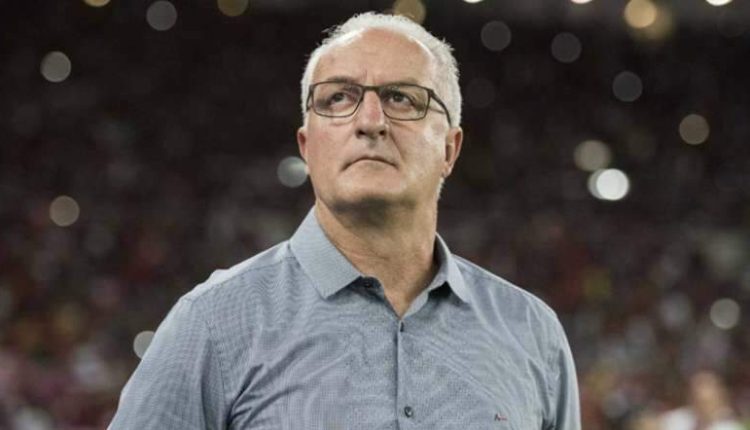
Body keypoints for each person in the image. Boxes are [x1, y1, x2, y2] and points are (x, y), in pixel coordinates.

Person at [108, 12, 580, 429]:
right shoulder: (213, 324)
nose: (370, 121)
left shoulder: (532, 333)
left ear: (449, 149)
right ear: (307, 146)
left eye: (402, 98)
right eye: (337, 98)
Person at [660, 371, 744, 430]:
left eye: (707, 403)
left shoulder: (729, 427)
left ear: (719, 400)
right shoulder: (678, 419)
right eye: (697, 401)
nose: (703, 408)